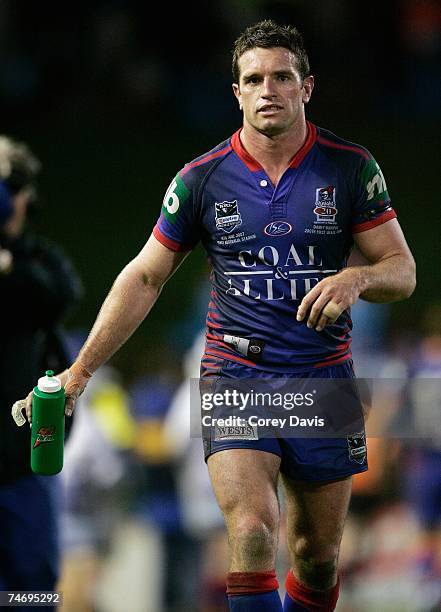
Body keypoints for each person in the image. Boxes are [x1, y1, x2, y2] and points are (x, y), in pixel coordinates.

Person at [22, 20, 416, 612]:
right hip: (236, 371)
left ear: (306, 87)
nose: (268, 90)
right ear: (236, 92)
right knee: (253, 533)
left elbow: (401, 271)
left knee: (315, 555)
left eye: (282, 77)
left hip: (323, 376)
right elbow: (146, 275)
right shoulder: (201, 178)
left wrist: (358, 277)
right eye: (253, 79)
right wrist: (77, 374)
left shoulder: (350, 167)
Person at [0, 135, 82, 600]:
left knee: (31, 591)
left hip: (23, 463)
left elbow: (59, 295)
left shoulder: (35, 260)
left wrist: (8, 265)